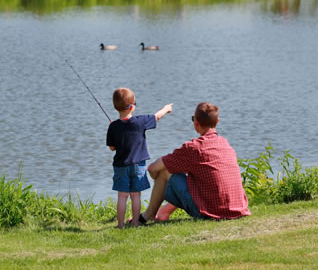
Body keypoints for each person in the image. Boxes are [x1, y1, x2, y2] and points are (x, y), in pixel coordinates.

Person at [137, 102, 250, 224]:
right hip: (237, 209)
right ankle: (163, 212)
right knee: (192, 178)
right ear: (217, 121)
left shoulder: (194, 148)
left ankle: (147, 216)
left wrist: (161, 181)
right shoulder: (225, 144)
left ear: (196, 123)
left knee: (165, 171)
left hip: (210, 213)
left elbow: (152, 169)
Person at [106, 87, 172, 228]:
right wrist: (166, 109)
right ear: (131, 107)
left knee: (122, 196)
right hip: (138, 166)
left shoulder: (113, 127)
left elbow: (112, 147)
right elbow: (156, 116)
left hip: (120, 166)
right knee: (136, 195)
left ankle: (120, 225)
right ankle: (135, 223)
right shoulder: (140, 121)